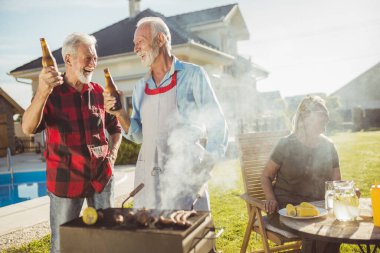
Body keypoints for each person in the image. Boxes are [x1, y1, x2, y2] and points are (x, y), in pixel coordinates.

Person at [103, 17, 228, 211]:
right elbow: (138, 136)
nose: (135, 49)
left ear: (160, 39)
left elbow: (218, 126)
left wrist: (203, 171)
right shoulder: (140, 87)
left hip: (185, 172)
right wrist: (120, 113)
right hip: (148, 176)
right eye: (134, 44)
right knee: (151, 235)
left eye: (140, 42)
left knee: (189, 234)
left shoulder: (193, 75)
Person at [22, 33, 122, 253]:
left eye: (95, 58)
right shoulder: (51, 93)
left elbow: (115, 129)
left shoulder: (98, 92)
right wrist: (41, 91)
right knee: (63, 246)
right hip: (66, 183)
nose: (93, 63)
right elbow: (28, 128)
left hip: (101, 178)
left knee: (108, 242)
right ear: (68, 60)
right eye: (88, 58)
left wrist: (112, 155)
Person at [261, 95, 341, 253]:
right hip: (287, 211)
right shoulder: (285, 144)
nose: (325, 128)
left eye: (326, 122)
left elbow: (336, 182)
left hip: (320, 211)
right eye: (321, 121)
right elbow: (266, 176)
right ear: (306, 118)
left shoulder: (329, 146)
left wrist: (345, 192)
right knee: (316, 232)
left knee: (336, 229)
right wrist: (270, 198)